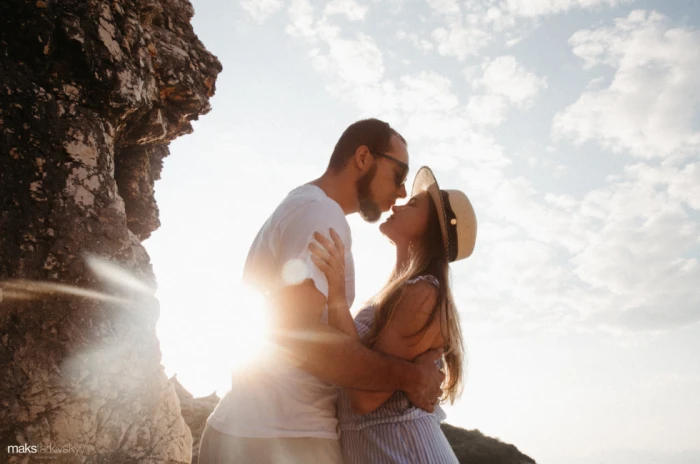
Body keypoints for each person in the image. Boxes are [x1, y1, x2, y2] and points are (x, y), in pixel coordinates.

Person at [199, 119, 446, 464]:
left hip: (256, 430)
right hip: (285, 439)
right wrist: (412, 376)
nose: (401, 192)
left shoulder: (305, 206)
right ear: (363, 157)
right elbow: (301, 336)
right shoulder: (320, 214)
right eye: (399, 175)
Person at [308, 166, 477, 463]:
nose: (399, 204)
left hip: (406, 453)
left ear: (432, 229)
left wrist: (336, 296)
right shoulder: (396, 292)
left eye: (413, 205)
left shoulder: (422, 293)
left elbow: (363, 397)